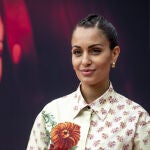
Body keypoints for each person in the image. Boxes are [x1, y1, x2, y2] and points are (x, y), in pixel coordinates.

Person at [27, 14, 150, 150]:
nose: (85, 61)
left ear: (114, 54)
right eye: (77, 52)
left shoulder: (136, 118)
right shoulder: (50, 113)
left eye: (95, 51)